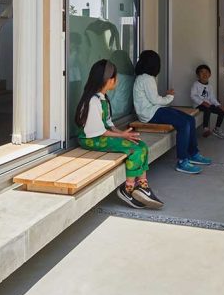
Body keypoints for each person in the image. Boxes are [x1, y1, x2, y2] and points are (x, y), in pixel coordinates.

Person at [76, 58, 163, 209]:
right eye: (115, 77)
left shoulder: (102, 98)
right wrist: (122, 136)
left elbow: (109, 124)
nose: (117, 80)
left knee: (141, 145)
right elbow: (99, 131)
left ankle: (142, 185)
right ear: (108, 80)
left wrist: (123, 133)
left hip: (101, 136)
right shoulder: (93, 101)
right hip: (91, 140)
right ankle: (127, 189)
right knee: (133, 149)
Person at [133, 50, 211, 174]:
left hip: (154, 110)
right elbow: (155, 100)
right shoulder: (146, 78)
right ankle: (182, 161)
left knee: (190, 119)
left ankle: (193, 153)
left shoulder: (145, 77)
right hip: (150, 114)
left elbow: (154, 100)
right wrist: (169, 97)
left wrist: (166, 98)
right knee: (183, 123)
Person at [190, 64, 224, 138]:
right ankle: (205, 129)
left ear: (209, 75)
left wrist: (218, 105)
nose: (204, 74)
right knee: (207, 109)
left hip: (208, 105)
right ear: (198, 75)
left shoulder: (209, 86)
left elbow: (212, 98)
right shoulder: (196, 84)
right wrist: (203, 102)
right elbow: (192, 96)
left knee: (221, 111)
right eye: (202, 72)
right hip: (198, 105)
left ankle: (217, 128)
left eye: (206, 72)